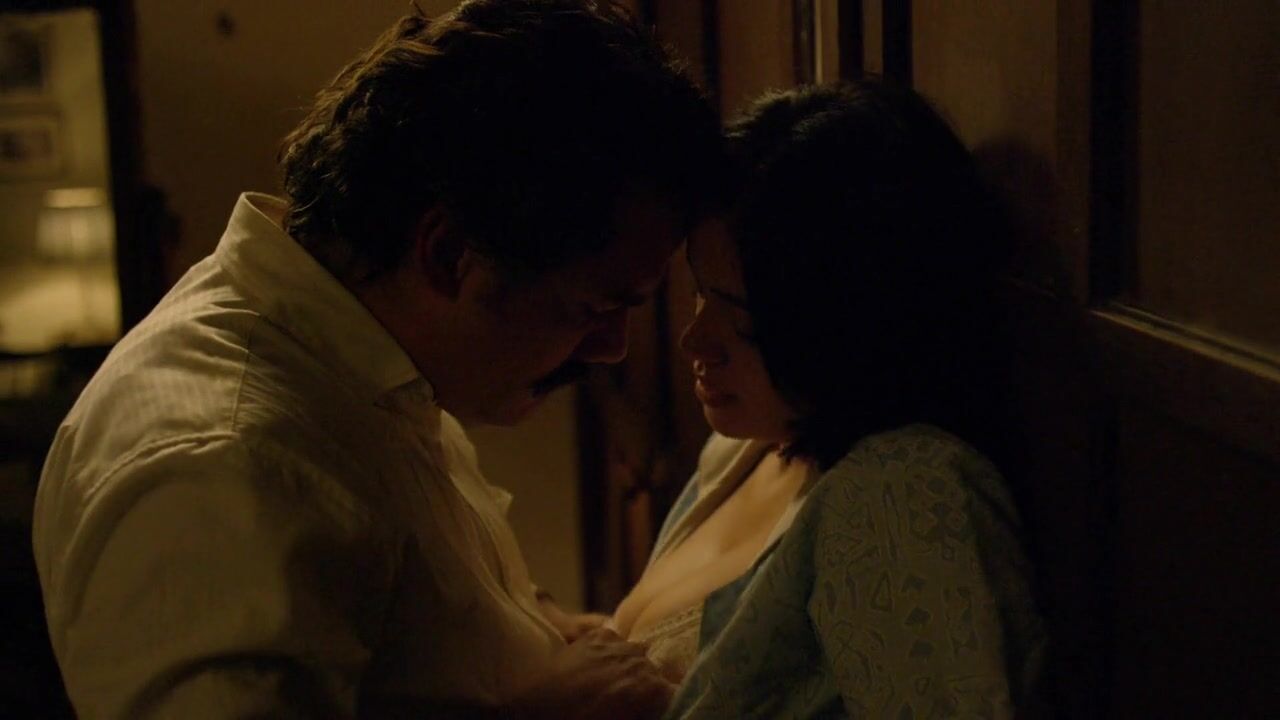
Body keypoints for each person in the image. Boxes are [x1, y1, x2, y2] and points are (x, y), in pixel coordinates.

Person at [32, 1, 724, 718]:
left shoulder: (356, 363)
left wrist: (552, 637)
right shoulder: (227, 463)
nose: (612, 348)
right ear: (449, 256)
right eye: (593, 308)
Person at [611, 80, 1048, 717]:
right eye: (701, 292)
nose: (693, 339)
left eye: (742, 317)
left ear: (845, 320)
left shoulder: (900, 496)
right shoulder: (744, 450)